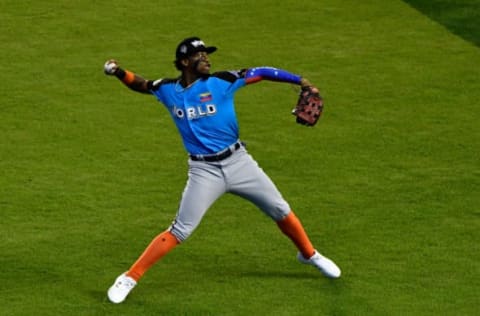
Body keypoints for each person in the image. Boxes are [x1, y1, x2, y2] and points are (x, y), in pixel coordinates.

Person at [104, 36, 341, 304]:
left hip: (239, 162)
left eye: (207, 54)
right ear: (184, 62)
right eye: (199, 55)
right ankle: (129, 277)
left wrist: (300, 80)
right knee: (181, 229)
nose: (206, 58)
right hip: (204, 172)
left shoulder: (223, 81)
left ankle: (309, 254)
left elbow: (260, 72)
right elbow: (142, 84)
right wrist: (119, 72)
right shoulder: (168, 89)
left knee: (280, 210)